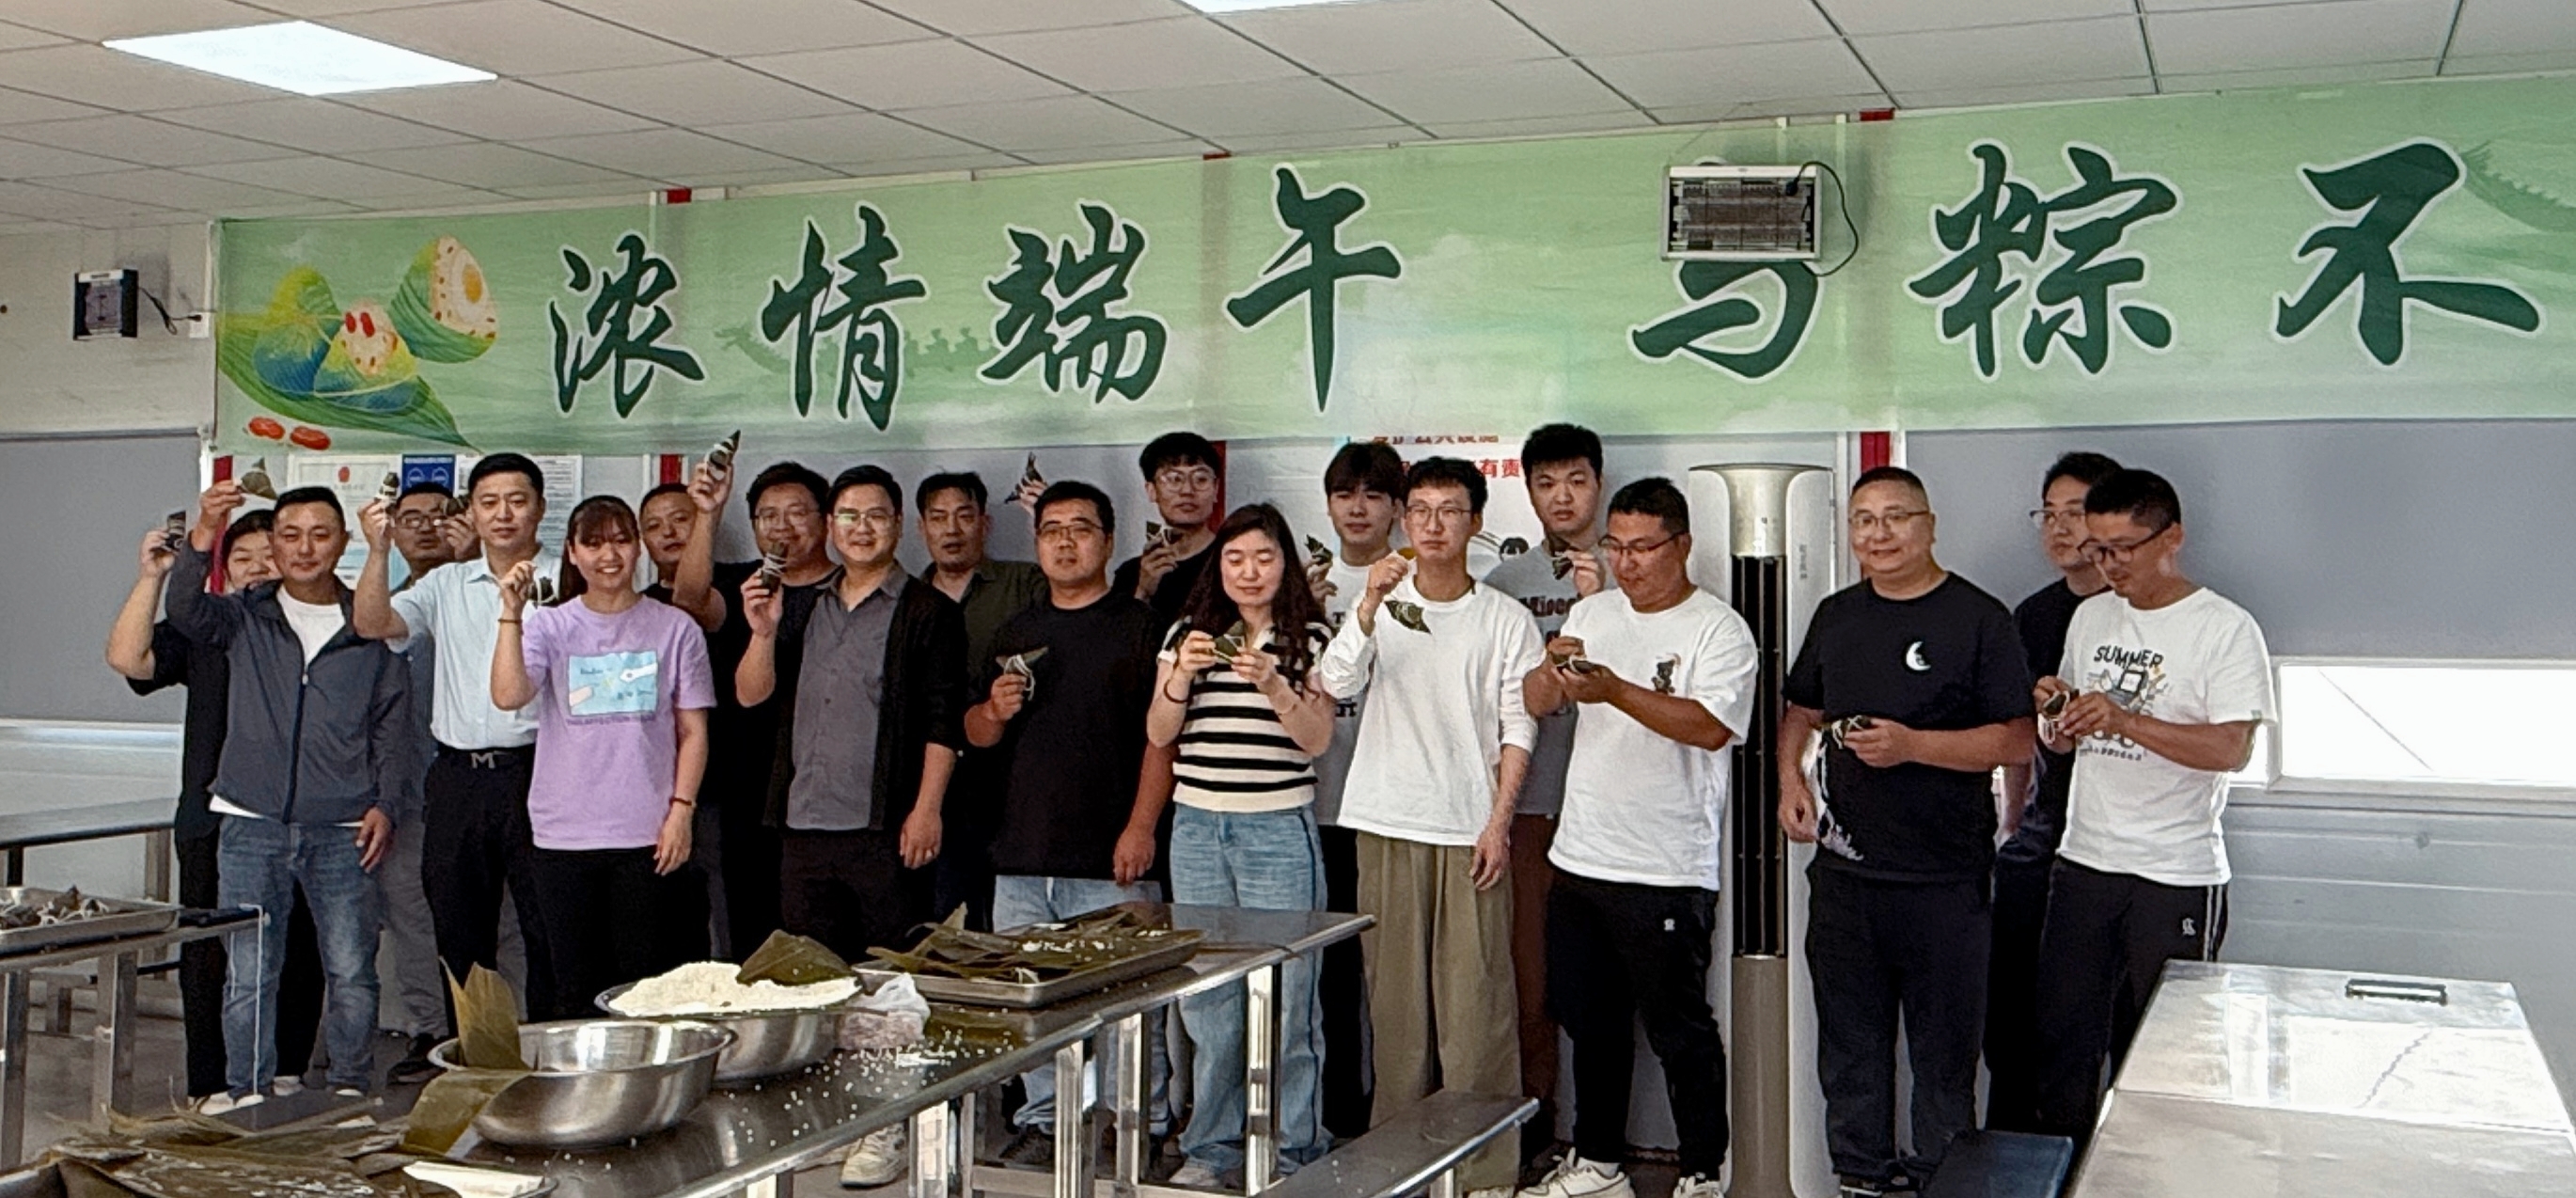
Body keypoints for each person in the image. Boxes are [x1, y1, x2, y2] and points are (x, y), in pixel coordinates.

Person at [1778, 466, 2034, 1198]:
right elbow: (1801, 712)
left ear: (1929, 526)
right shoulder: (1837, 615)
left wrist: (1914, 745)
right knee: (1850, 1053)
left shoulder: (1979, 618)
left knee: (1944, 1062)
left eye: (1895, 517)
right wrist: (1791, 782)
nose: (1879, 534)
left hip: (1944, 881)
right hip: (1845, 879)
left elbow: (2018, 739)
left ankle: (1942, 1183)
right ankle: (1859, 1180)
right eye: (1864, 520)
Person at [1516, 479, 1756, 1198]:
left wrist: (1616, 689)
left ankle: (1703, 1172)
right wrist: (1550, 673)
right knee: (1591, 1023)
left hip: (1666, 866)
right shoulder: (1591, 612)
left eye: (1643, 548)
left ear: (1682, 546)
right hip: (1581, 855)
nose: (1627, 562)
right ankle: (1598, 1164)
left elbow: (1711, 727)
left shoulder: (1718, 629)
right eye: (1615, 546)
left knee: (1679, 1030)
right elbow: (1535, 701)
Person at [1317, 457, 1544, 1198]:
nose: (1434, 525)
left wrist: (1498, 823)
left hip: (1469, 830)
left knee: (1478, 1009)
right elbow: (1335, 682)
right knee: (1396, 1014)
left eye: (1450, 510)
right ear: (1403, 520)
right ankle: (1400, 1166)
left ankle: (1484, 1171)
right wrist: (1367, 604)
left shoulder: (1504, 618)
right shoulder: (1381, 603)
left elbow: (1519, 726)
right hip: (1386, 822)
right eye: (1420, 510)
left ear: (1476, 522)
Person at [738, 465, 966, 1190]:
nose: (860, 529)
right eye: (848, 516)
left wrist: (926, 808)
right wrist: (762, 632)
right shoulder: (801, 606)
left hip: (884, 827)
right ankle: (830, 1121)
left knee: (888, 983)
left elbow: (943, 721)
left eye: (875, 516)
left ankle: (887, 1124)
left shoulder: (927, 611)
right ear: (830, 528)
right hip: (803, 823)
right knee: (812, 984)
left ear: (897, 527)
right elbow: (751, 695)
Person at [2033, 469, 2270, 1144]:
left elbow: (2230, 748)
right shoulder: (2091, 617)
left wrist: (2124, 720)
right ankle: (2067, 1175)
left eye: (2123, 549)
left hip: (2174, 872)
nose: (2109, 565)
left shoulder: (2224, 628)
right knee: (2064, 1045)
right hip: (2085, 861)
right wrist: (2057, 715)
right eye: (2098, 549)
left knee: (2167, 1055)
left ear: (2172, 538)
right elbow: (2067, 738)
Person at [166, 483, 410, 1110]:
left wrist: (385, 803)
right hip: (250, 821)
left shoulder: (368, 623)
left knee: (351, 971)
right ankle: (248, 1091)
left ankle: (350, 1085)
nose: (305, 548)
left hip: (345, 826)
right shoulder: (245, 615)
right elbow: (185, 609)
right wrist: (204, 531)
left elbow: (392, 724)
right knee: (250, 970)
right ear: (273, 544)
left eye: (320, 534)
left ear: (343, 542)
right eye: (291, 535)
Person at [971, 481, 1171, 1167]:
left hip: (1112, 856)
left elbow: (1162, 739)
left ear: (1108, 542)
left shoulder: (1140, 627)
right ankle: (1046, 1122)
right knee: (1031, 1003)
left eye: (1080, 529)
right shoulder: (1016, 631)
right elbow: (975, 732)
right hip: (1022, 855)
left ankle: (1133, 1126)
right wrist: (993, 711)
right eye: (1051, 529)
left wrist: (1141, 827)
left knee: (1129, 1007)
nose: (1065, 541)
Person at [107, 510, 328, 1106]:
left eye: (268, 556)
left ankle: (285, 1070)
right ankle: (210, 1083)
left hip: (297, 815)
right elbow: (129, 659)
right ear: (222, 571)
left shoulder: (316, 631)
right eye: (241, 559)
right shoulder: (207, 628)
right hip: (211, 817)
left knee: (298, 944)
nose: (256, 569)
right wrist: (153, 576)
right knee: (208, 949)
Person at [1148, 505, 1337, 1187]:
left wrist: (1273, 684)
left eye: (1263, 557)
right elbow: (1159, 731)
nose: (1249, 572)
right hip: (1198, 827)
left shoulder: (1311, 635)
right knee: (1208, 998)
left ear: (1286, 564)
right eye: (1235, 559)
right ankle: (1212, 1148)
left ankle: (1293, 1148)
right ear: (1217, 567)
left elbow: (1316, 740)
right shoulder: (1187, 631)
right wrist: (1180, 676)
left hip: (1277, 827)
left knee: (1290, 993)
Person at [491, 494, 713, 1022]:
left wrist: (681, 811)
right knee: (575, 987)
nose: (608, 555)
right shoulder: (549, 626)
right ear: (572, 553)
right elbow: (508, 695)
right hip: (563, 835)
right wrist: (511, 614)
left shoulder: (676, 628)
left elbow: (693, 731)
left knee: (645, 988)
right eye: (593, 543)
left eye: (620, 540)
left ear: (637, 548)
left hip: (647, 835)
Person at [355, 454, 561, 1017]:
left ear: (540, 508)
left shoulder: (567, 576)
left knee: (547, 926)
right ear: (472, 511)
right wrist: (377, 550)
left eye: (517, 501)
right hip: (457, 777)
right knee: (459, 930)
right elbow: (373, 623)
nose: (503, 514)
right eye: (489, 502)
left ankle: (551, 1050)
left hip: (542, 771)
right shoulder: (445, 583)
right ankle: (472, 1053)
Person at [1480, 422, 1613, 1162]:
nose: (1563, 497)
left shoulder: (1636, 572)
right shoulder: (1503, 585)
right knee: (1529, 981)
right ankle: (1536, 1128)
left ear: (1600, 483)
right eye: (1546, 482)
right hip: (1531, 810)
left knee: (1605, 986)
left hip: (1616, 811)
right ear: (1527, 491)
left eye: (1577, 480)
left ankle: (1602, 1145)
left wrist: (1605, 602)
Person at [1984, 451, 2121, 1133]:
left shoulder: (2140, 612)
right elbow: (2019, 737)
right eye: (2050, 514)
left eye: (2078, 512)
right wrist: (2012, 823)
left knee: (2093, 1023)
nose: (2061, 528)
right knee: (2011, 1012)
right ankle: (2012, 1153)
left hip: (2118, 846)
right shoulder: (2033, 615)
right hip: (2043, 833)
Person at [668, 460, 840, 960]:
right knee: (751, 934)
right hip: (748, 789)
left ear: (826, 520)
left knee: (828, 938)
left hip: (831, 792)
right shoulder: (746, 585)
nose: (782, 527)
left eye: (797, 513)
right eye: (768, 516)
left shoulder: (852, 587)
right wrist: (707, 511)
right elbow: (688, 598)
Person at [1308, 440, 1405, 1138]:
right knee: (1332, 972)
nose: (1359, 508)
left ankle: (1404, 1114)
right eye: (1346, 494)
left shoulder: (1417, 582)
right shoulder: (1300, 584)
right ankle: (1339, 1111)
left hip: (1392, 809)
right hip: (1315, 808)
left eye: (1374, 495)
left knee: (1394, 977)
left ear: (1397, 507)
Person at [917, 470, 1046, 930]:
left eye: (964, 516)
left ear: (985, 523)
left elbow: (1076, 612)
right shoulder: (908, 597)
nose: (951, 530)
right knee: (942, 920)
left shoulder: (1024, 582)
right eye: (938, 518)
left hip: (1011, 779)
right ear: (921, 528)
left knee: (1011, 922)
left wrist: (1045, 520)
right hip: (928, 782)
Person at [1113, 433, 1224, 623]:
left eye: (1200, 479)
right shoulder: (1131, 573)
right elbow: (1119, 638)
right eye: (1174, 479)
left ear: (1215, 489)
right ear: (1152, 490)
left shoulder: (1232, 562)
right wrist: (1143, 591)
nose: (1187, 490)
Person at [638, 481, 699, 595]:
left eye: (679, 519)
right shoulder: (643, 603)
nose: (668, 532)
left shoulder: (735, 583)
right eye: (654, 526)